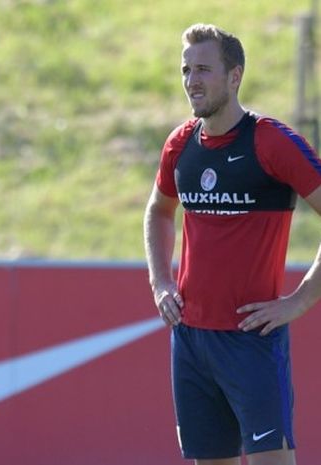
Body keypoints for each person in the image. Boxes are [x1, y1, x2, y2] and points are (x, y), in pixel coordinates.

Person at [143, 23, 321, 465]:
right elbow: (159, 211)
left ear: (235, 76)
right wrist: (161, 281)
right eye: (186, 69)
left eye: (203, 69)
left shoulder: (272, 142)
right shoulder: (180, 144)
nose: (191, 81)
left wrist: (299, 301)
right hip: (191, 341)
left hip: (251, 340)